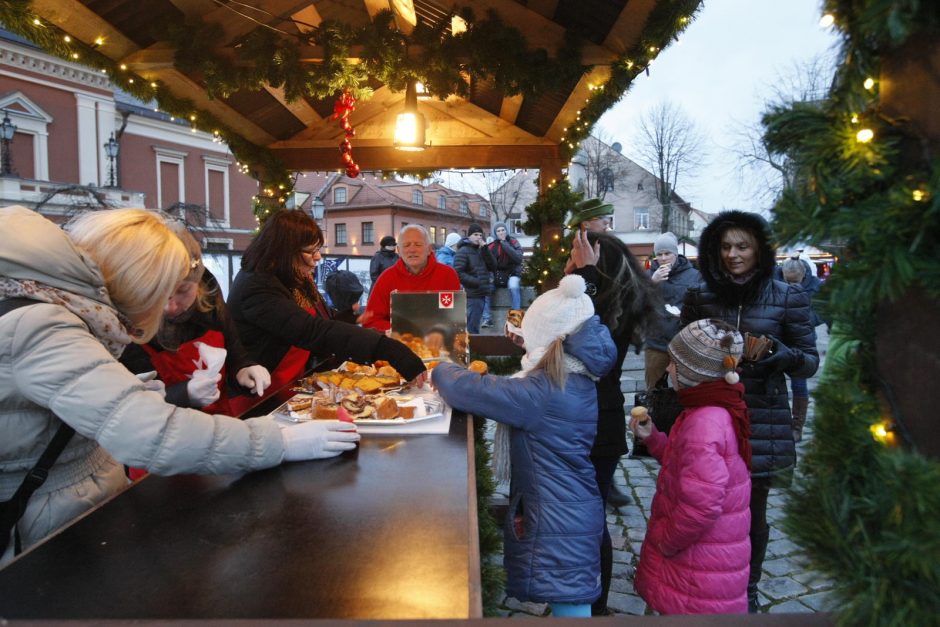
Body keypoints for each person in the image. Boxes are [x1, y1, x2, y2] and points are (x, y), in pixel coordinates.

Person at [0, 206, 359, 564]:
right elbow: (147, 430)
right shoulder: (41, 324)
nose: (166, 309)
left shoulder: (59, 309)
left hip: (72, 502)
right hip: (41, 527)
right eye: (161, 294)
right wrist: (277, 441)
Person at [431, 274, 617, 617]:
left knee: (572, 605)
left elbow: (473, 391)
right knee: (570, 599)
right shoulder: (570, 377)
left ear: (545, 341)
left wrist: (438, 369)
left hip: (559, 518)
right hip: (571, 507)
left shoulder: (540, 393)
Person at [681, 210, 819, 613]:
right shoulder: (701, 295)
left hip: (762, 420)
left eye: (742, 246)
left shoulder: (788, 297)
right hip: (710, 420)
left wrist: (779, 354)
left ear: (759, 249)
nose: (733, 254)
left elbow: (809, 361)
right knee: (707, 505)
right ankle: (705, 583)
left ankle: (749, 586)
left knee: (753, 511)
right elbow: (682, 351)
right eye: (725, 247)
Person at [226, 210, 427, 413]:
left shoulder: (293, 278)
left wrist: (349, 317)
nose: (318, 257)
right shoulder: (256, 287)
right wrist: (390, 349)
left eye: (318, 249)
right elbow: (312, 331)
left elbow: (319, 319)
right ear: (285, 251)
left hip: (289, 388)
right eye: (311, 250)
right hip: (258, 399)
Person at [630, 318, 752, 614]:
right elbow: (690, 468)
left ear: (693, 372)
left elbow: (702, 506)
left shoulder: (705, 423)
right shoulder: (712, 407)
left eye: (674, 363)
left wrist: (665, 539)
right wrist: (656, 440)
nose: (669, 369)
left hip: (696, 571)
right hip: (707, 565)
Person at [567, 228, 657, 614]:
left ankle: (596, 606)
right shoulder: (600, 302)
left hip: (593, 426)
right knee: (585, 516)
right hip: (590, 424)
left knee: (590, 520)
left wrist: (583, 277)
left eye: (576, 257)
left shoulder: (599, 310)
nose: (568, 263)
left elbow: (588, 343)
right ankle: (585, 598)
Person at [120, 220, 271, 418]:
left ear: (197, 282)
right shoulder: (125, 325)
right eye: (158, 294)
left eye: (182, 291)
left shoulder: (210, 299)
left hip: (221, 426)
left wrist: (244, 370)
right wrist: (184, 394)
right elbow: (128, 407)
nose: (170, 307)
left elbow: (236, 355)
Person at [360, 224, 461, 333]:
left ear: (429, 249)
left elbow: (455, 320)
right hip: (396, 345)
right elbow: (370, 321)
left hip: (438, 344)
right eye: (406, 245)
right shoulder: (386, 278)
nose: (412, 250)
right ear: (398, 250)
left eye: (418, 244)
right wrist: (399, 331)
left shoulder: (447, 275)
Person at [644, 231, 702, 390]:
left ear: (676, 254)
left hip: (684, 342)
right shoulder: (648, 275)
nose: (663, 258)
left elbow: (701, 304)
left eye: (667, 253)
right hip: (656, 342)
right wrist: (651, 283)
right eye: (659, 254)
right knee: (654, 389)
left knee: (686, 389)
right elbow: (636, 304)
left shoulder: (694, 275)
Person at [777, 257, 818, 442]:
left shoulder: (814, 287)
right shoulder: (776, 284)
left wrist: (807, 322)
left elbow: (820, 312)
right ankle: (779, 421)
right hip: (780, 338)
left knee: (799, 383)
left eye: (794, 281)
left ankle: (797, 425)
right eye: (788, 281)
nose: (791, 285)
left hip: (801, 340)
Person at [453, 223, 496, 333]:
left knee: (474, 325)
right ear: (469, 236)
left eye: (480, 235)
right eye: (475, 234)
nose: (478, 237)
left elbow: (493, 266)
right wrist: (476, 282)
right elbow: (458, 272)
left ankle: (472, 347)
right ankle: (471, 349)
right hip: (472, 294)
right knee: (472, 327)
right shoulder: (463, 251)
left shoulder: (481, 250)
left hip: (481, 293)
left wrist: (486, 249)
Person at [485, 222, 524, 318]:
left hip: (512, 273)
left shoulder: (514, 242)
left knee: (514, 287)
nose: (501, 232)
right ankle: (486, 317)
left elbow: (518, 258)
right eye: (498, 231)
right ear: (495, 233)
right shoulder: (491, 246)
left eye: (503, 230)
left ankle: (515, 316)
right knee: (486, 290)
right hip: (497, 275)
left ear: (506, 231)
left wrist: (504, 244)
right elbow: (487, 263)